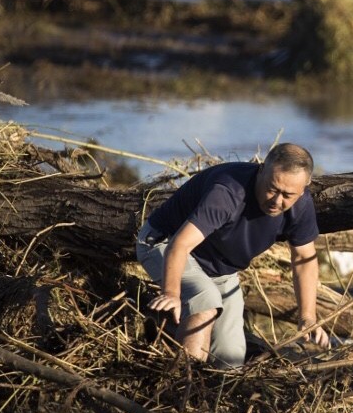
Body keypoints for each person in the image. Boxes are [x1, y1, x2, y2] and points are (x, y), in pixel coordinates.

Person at [135, 143, 330, 368]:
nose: (277, 201)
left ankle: (171, 331)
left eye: (287, 195)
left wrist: (307, 317)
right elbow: (179, 245)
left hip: (221, 269)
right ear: (261, 170)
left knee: (230, 357)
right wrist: (172, 293)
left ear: (305, 187)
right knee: (204, 300)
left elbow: (304, 260)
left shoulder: (301, 205)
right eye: (272, 189)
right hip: (163, 242)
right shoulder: (228, 192)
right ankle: (182, 381)